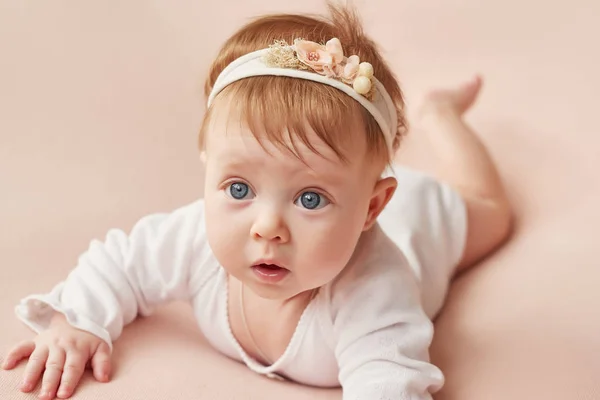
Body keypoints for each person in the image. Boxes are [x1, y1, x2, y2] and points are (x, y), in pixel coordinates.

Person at [1, 4, 512, 400]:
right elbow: (121, 263)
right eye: (239, 189)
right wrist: (77, 321)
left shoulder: (374, 290)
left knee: (492, 209)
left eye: (311, 198)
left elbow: (390, 378)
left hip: (426, 220)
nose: (268, 227)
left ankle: (441, 117)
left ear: (372, 208)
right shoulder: (194, 237)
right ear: (208, 163)